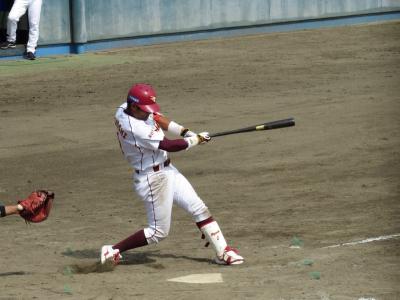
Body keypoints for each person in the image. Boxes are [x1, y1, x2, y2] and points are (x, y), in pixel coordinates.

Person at [101, 83, 244, 266]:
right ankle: (113, 250)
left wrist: (187, 132)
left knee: (198, 208)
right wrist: (195, 140)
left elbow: (159, 119)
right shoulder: (134, 128)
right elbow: (169, 146)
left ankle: (223, 252)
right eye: (145, 109)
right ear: (134, 106)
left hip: (167, 170)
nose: (148, 113)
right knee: (158, 232)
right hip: (152, 180)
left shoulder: (124, 107)